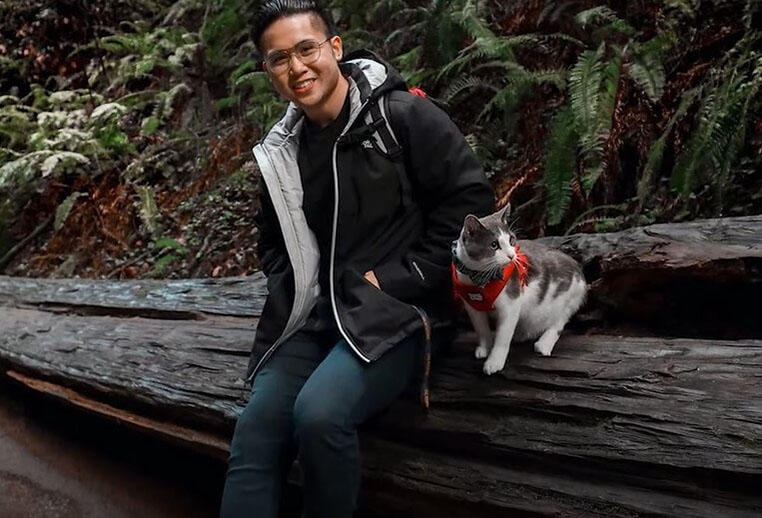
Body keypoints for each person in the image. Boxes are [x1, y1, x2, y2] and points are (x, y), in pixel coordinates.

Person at [219, 1, 493, 516]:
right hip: (316, 319)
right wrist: (294, 287)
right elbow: (271, 241)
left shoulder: (403, 116)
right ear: (268, 71)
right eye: (280, 59)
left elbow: (470, 207)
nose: (297, 67)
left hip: (399, 313)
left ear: (335, 48)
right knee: (256, 431)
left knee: (319, 416)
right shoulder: (283, 151)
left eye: (307, 49)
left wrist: (396, 279)